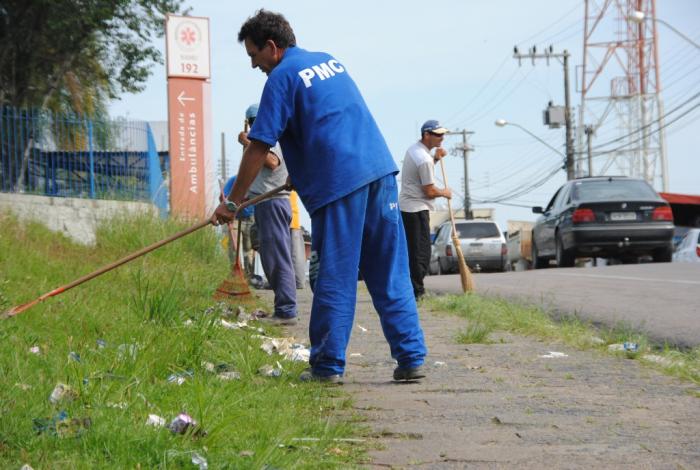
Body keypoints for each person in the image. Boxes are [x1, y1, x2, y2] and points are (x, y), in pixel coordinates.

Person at [212, 9, 427, 383]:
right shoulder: (328, 61)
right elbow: (333, 119)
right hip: (379, 171)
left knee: (335, 276)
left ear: (272, 47)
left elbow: (259, 146)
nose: (253, 65)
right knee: (389, 270)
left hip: (341, 184)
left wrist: (232, 201)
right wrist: (303, 170)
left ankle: (327, 366)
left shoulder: (280, 78)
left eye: (254, 55)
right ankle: (411, 358)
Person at [237, 102, 298, 324]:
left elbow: (272, 162)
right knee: (271, 258)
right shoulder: (260, 140)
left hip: (274, 203)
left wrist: (249, 142)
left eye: (253, 123)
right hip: (263, 202)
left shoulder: (272, 137)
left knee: (278, 259)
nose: (252, 128)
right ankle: (282, 307)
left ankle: (286, 310)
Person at [399, 120, 452, 299]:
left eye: (442, 134)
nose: (442, 138)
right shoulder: (423, 159)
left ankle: (414, 290)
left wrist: (435, 159)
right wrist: (444, 193)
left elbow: (422, 175)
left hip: (410, 208)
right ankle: (417, 292)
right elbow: (429, 191)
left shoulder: (416, 151)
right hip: (416, 209)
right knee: (420, 254)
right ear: (426, 135)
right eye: (438, 134)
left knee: (416, 251)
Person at [222, 175, 255, 279]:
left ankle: (249, 275)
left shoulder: (255, 180)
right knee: (233, 247)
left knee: (249, 248)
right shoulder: (234, 180)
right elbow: (223, 197)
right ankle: (235, 273)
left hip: (251, 217)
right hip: (235, 218)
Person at [289, 190, 306, 289]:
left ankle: (297, 282)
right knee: (296, 253)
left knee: (294, 254)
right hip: (294, 219)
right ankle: (298, 281)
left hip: (288, 219)